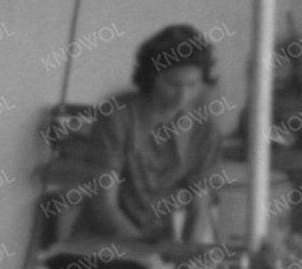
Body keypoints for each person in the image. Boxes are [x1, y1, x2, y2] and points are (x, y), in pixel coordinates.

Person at [75, 23, 224, 245]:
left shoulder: (203, 127)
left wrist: (188, 257)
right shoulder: (117, 118)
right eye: (172, 84)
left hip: (158, 242)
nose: (182, 96)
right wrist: (146, 252)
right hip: (102, 245)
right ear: (152, 76)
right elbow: (104, 206)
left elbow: (199, 206)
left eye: (193, 85)